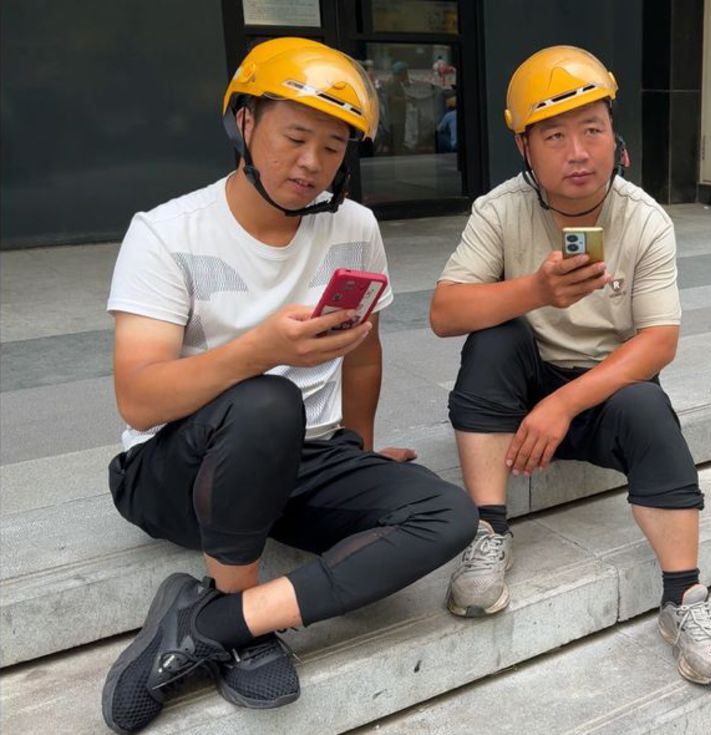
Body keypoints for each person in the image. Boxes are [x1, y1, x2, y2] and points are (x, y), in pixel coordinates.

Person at [101, 38, 476, 733]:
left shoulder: (354, 225)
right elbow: (139, 397)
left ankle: (218, 620)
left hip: (300, 457)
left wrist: (357, 447)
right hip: (173, 472)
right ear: (244, 123)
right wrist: (261, 348)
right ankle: (240, 613)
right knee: (267, 397)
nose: (311, 163)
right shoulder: (165, 233)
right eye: (295, 136)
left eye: (333, 148)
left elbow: (361, 353)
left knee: (449, 515)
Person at [429, 45, 711, 686]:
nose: (578, 152)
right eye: (556, 135)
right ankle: (490, 530)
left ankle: (683, 598)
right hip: (519, 389)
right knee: (492, 338)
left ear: (613, 135)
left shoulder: (644, 219)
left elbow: (658, 342)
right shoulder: (499, 210)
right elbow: (444, 312)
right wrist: (535, 292)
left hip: (599, 393)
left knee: (647, 403)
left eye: (592, 129)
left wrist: (564, 403)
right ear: (523, 146)